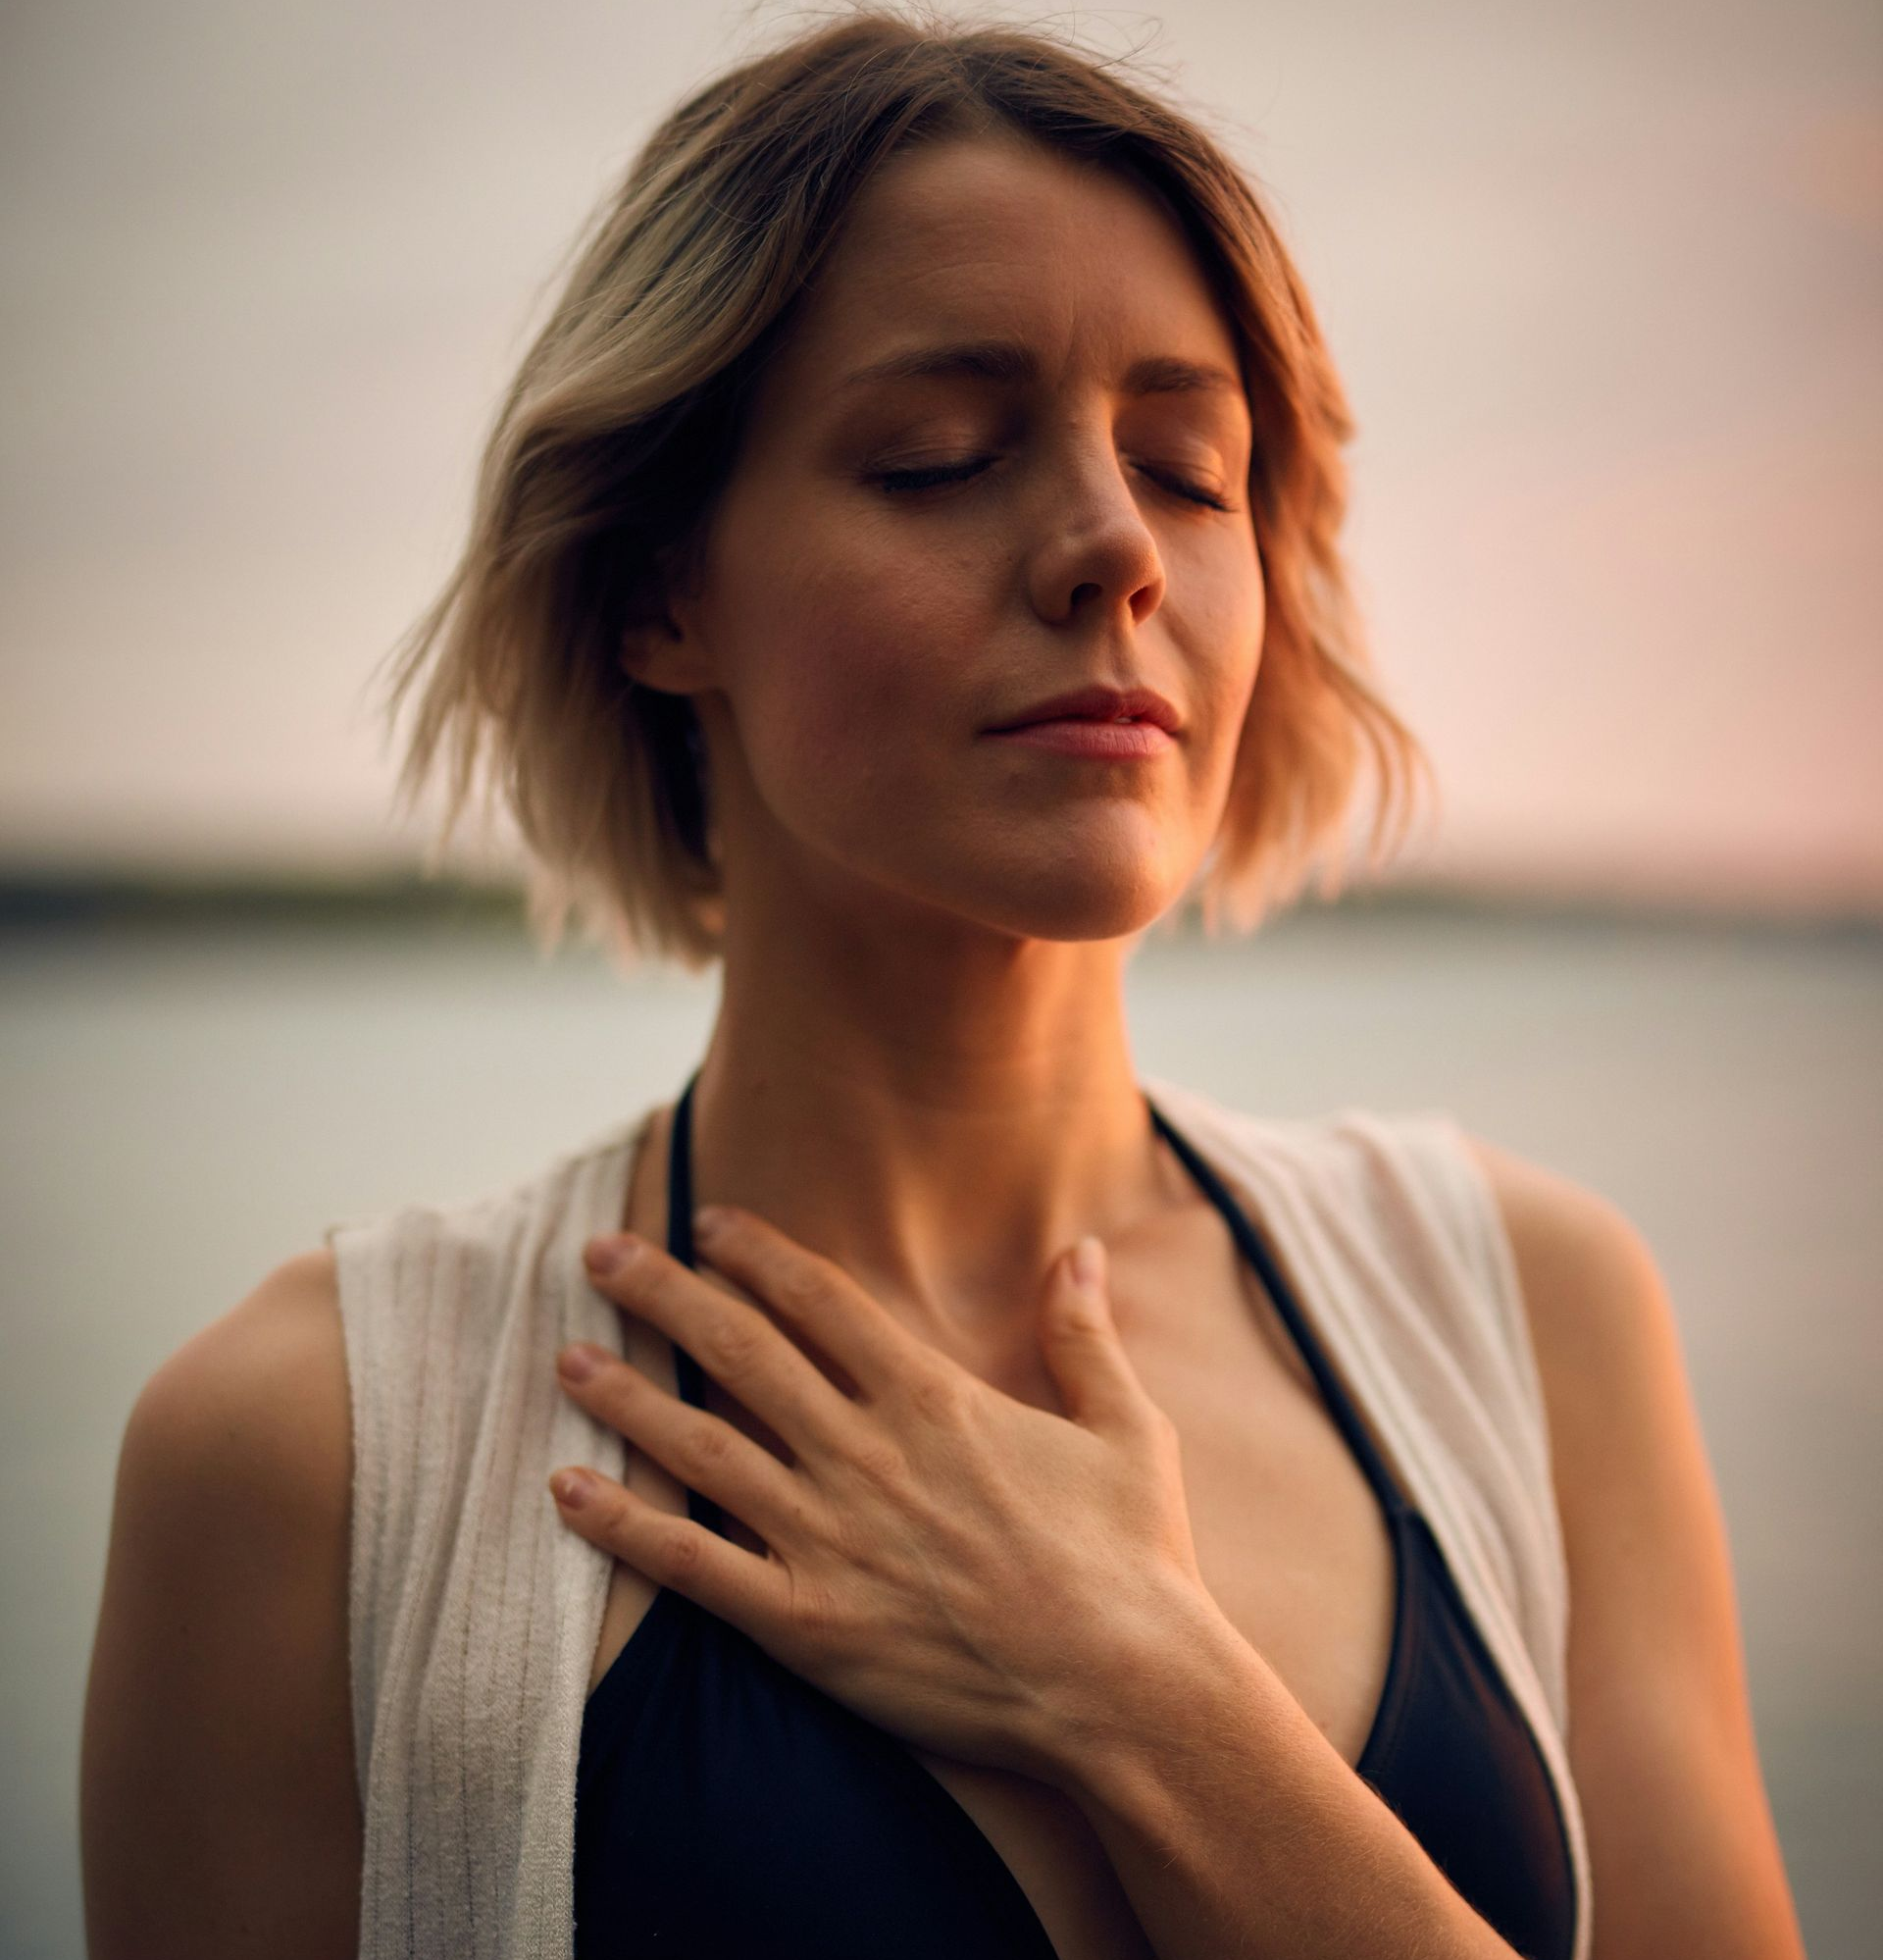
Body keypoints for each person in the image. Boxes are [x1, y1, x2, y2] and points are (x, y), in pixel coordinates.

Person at [79, 11, 1807, 1958]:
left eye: (1186, 465)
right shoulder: (310, 1456)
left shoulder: (1530, 1317)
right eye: (937, 459)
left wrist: (1147, 1694)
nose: (1109, 547)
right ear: (663, 594)